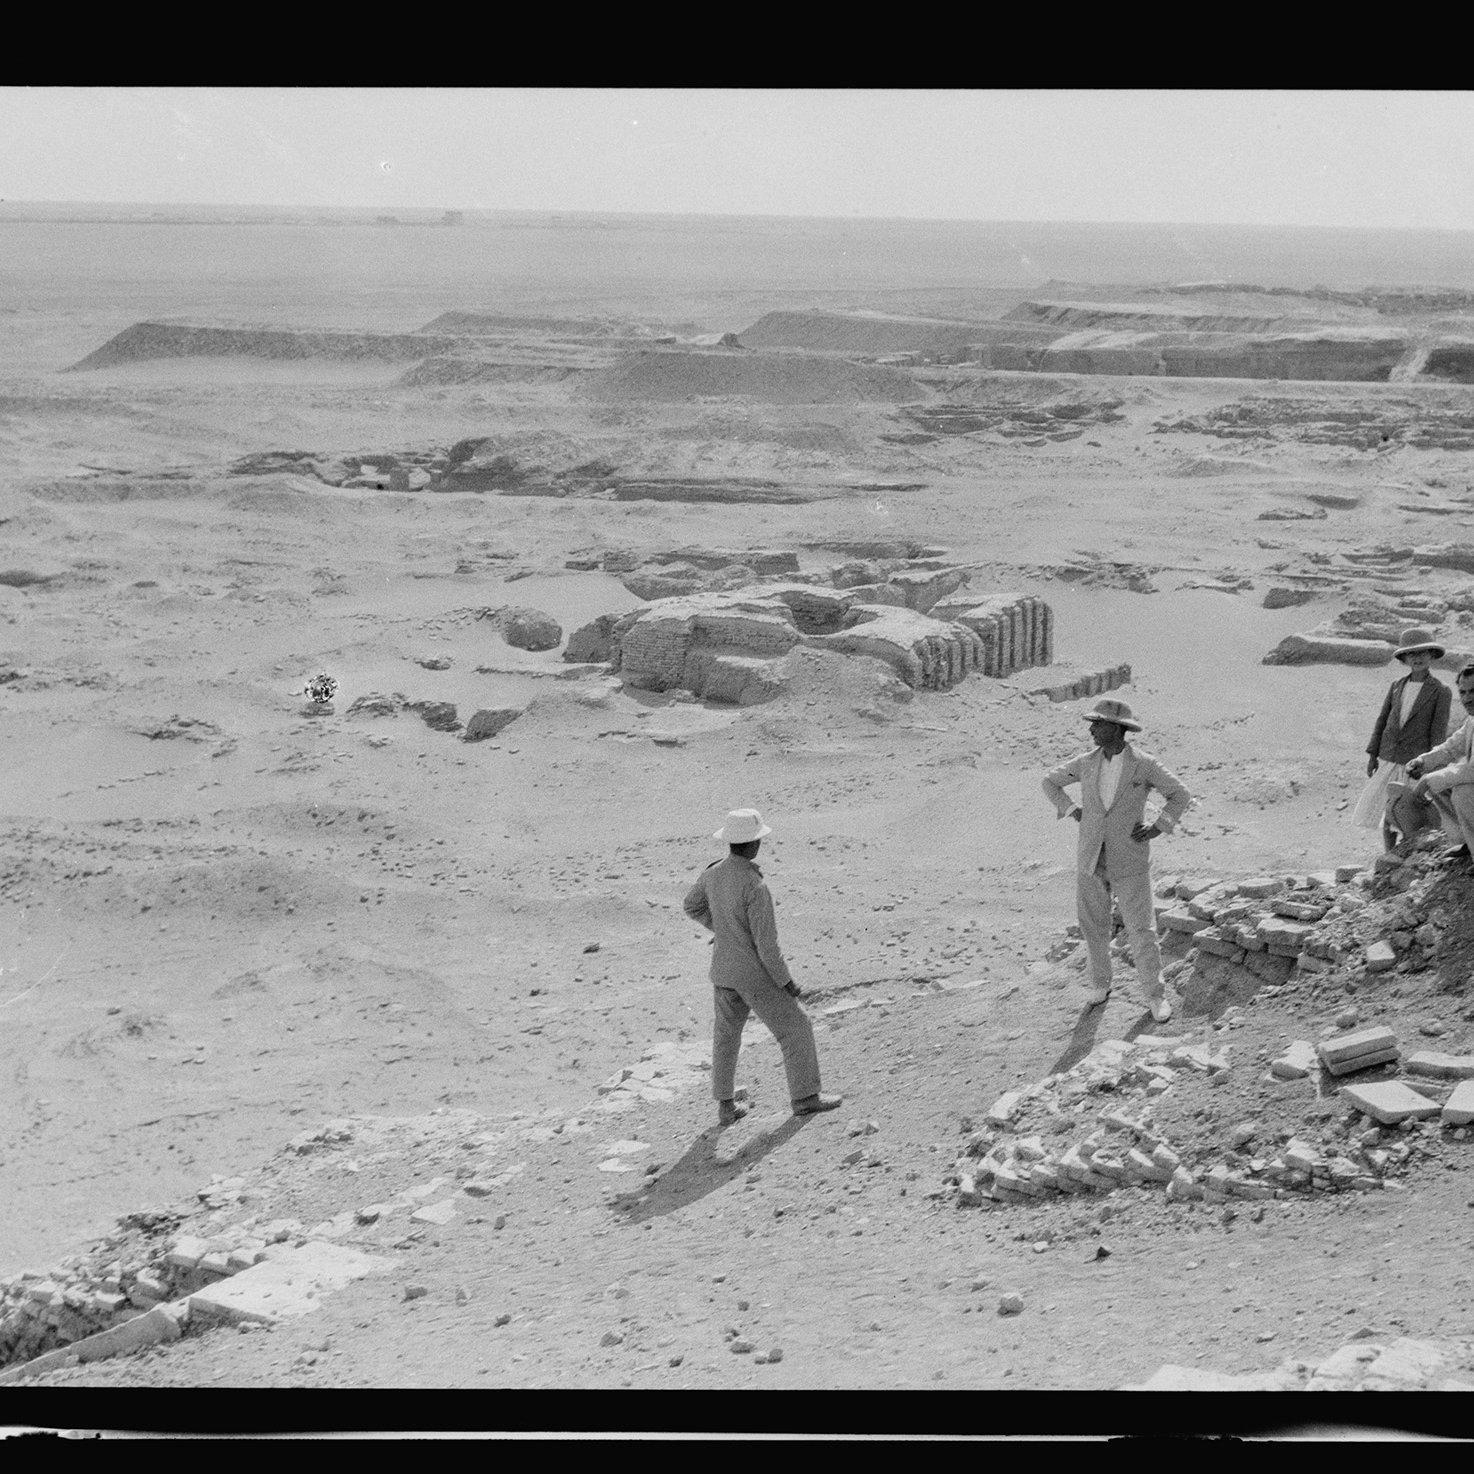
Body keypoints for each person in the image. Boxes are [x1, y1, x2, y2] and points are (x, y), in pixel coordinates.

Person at [682, 808, 842, 1127]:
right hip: (754, 975)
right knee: (796, 1028)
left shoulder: (712, 874)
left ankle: (726, 1108)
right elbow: (767, 948)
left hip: (724, 972)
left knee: (726, 1038)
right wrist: (787, 983)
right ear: (754, 845)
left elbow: (691, 905)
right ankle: (805, 1098)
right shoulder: (755, 886)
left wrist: (726, 930)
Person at [1042, 698, 1192, 1023]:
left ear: (1117, 728)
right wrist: (1073, 811)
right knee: (1093, 926)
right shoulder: (1085, 763)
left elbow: (1180, 794)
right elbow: (1050, 782)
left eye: (1098, 723)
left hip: (1130, 860)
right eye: (1092, 723)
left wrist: (1158, 827)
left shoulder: (1144, 764)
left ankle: (1155, 996)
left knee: (1142, 930)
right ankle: (1100, 984)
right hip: (1091, 857)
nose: (1091, 729)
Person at [1354, 628, 1451, 851]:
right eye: (1411, 654)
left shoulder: (1440, 691)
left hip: (1413, 762)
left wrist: (1429, 764)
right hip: (1389, 757)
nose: (1417, 658)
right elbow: (1382, 721)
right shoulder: (1397, 686)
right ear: (1404, 658)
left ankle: (1407, 855)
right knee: (1386, 811)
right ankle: (1389, 854)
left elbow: (1438, 732)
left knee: (1407, 810)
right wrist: (1372, 755)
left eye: (1423, 653)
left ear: (1432, 655)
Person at [1395, 661, 1474, 872]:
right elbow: (1451, 748)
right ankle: (1468, 841)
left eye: (1473, 691)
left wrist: (1430, 780)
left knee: (1463, 792)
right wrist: (1423, 762)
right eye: (1464, 692)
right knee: (1436, 775)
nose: (1468, 698)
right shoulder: (1472, 721)